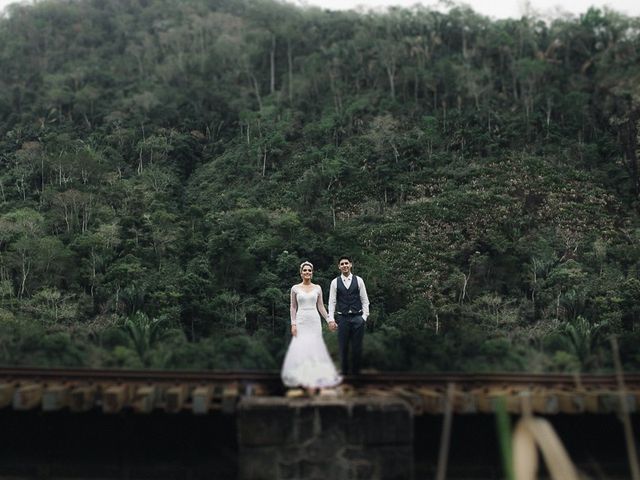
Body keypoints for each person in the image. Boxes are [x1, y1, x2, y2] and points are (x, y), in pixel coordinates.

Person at [281, 261, 342, 392]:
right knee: (301, 346)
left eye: (309, 270)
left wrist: (329, 320)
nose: (307, 272)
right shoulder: (295, 288)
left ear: (312, 273)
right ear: (301, 273)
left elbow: (320, 306)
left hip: (314, 320)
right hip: (301, 319)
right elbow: (293, 307)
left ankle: (315, 379)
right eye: (305, 270)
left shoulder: (317, 288)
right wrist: (293, 323)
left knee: (315, 346)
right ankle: (302, 379)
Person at [328, 256, 370, 376]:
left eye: (347, 263)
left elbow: (365, 300)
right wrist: (331, 319)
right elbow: (332, 302)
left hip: (358, 317)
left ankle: (356, 375)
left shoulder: (359, 280)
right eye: (342, 264)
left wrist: (364, 317)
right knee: (343, 348)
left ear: (351, 265)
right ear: (339, 266)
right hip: (343, 318)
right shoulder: (335, 282)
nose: (345, 265)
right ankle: (345, 375)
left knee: (357, 348)